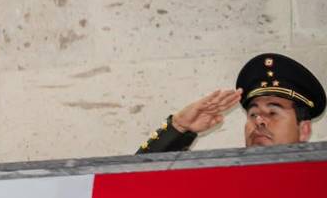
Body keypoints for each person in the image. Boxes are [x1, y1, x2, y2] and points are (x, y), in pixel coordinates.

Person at [137, 53, 324, 153]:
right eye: (253, 114)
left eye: (273, 113)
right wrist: (178, 127)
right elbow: (134, 187)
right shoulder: (222, 182)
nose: (259, 121)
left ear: (304, 129)